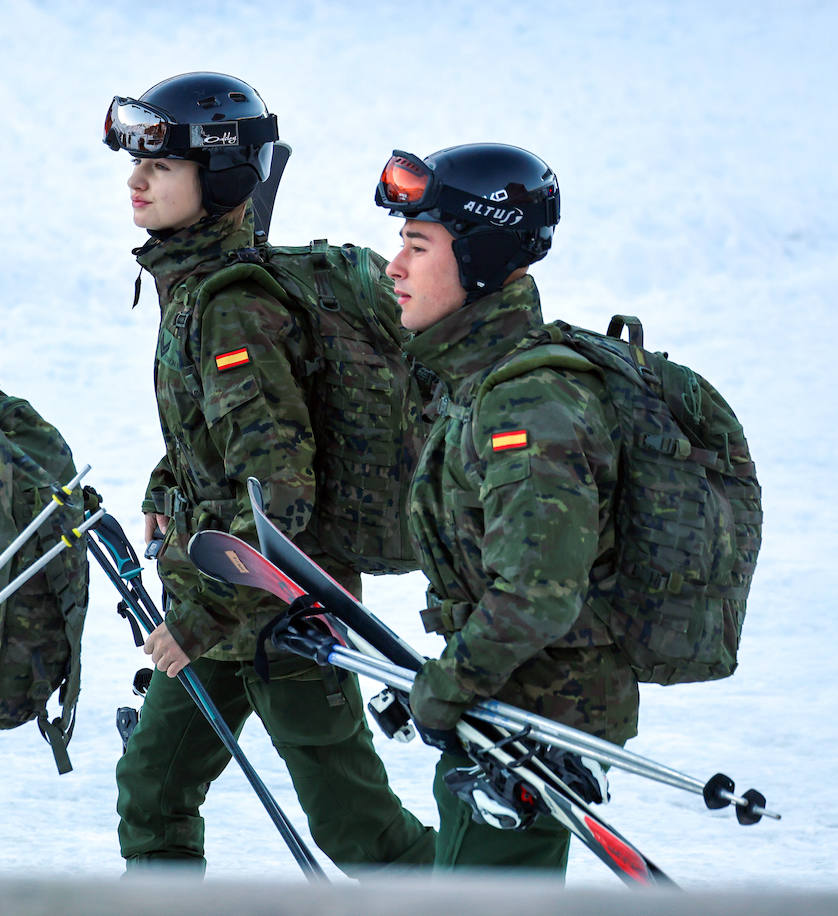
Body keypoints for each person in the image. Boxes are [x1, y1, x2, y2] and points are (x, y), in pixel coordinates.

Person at [103, 71, 435, 875]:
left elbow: (278, 488)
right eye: (138, 163)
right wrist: (164, 488)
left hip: (283, 615)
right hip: (220, 604)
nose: (135, 181)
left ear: (217, 181)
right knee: (153, 791)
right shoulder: (192, 286)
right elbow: (214, 433)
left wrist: (199, 622)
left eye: (162, 167)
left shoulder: (231, 307)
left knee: (358, 829)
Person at [376, 144, 639, 874]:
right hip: (500, 714)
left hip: (533, 727)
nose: (394, 265)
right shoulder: (475, 381)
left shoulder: (527, 400)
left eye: (417, 245)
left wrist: (446, 686)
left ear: (483, 258)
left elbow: (537, 593)